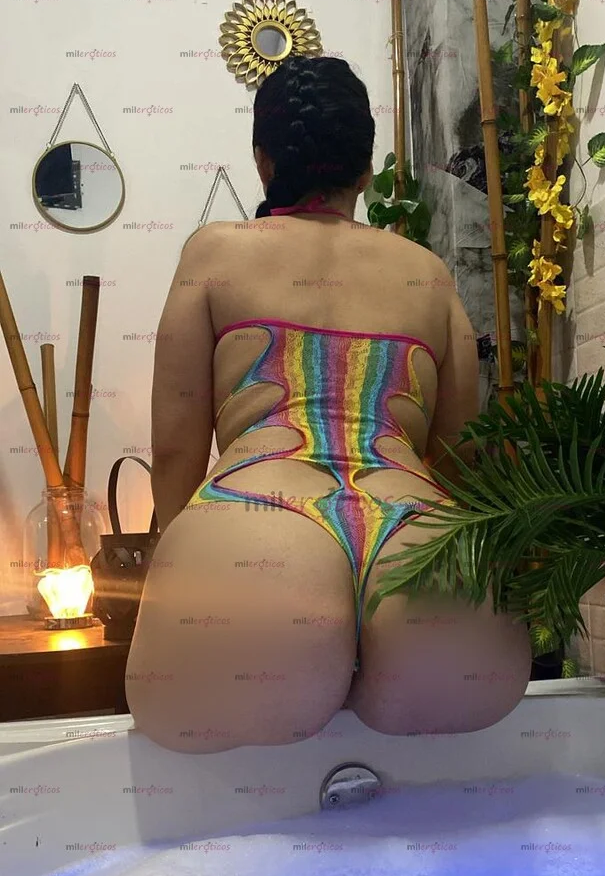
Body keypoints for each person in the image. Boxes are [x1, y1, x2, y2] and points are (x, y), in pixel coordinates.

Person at [126, 56, 531, 752]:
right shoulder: (427, 275)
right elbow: (461, 459)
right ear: (366, 170)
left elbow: (174, 448)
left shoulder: (214, 252)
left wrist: (186, 561)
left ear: (263, 161)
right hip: (428, 554)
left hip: (256, 536)